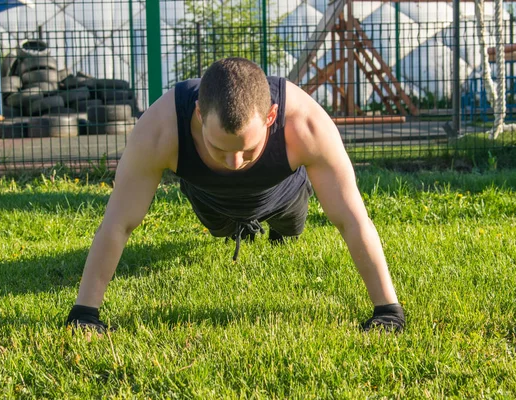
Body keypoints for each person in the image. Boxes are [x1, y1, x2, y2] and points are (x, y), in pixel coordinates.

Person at [66, 58, 406, 333]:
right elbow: (118, 223)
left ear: (272, 117)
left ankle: (279, 227)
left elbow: (352, 219)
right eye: (218, 148)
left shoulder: (305, 125)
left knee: (289, 225)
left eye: (247, 149)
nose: (234, 163)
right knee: (221, 227)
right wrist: (85, 313)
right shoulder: (160, 129)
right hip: (209, 199)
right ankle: (236, 225)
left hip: (281, 194)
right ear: (199, 114)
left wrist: (387, 310)